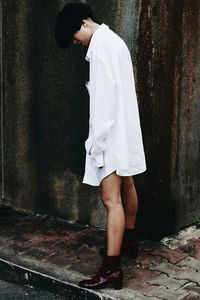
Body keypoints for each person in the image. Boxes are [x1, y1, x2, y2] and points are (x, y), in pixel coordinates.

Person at [55, 2, 146, 290]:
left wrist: (95, 145)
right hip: (124, 130)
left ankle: (111, 270)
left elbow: (104, 105)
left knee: (111, 200)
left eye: (73, 37)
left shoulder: (102, 48)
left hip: (111, 136)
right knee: (128, 184)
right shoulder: (113, 40)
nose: (76, 43)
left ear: (82, 24)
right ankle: (127, 240)